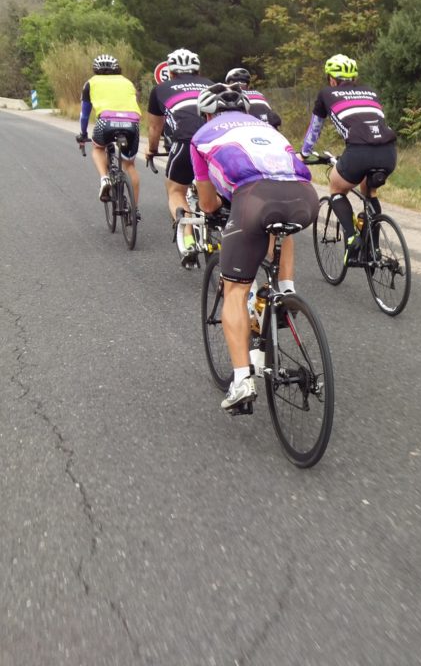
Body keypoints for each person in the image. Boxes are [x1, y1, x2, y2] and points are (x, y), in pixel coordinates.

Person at [190, 82, 318, 411]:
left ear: (207, 114)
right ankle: (286, 293)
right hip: (305, 198)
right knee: (280, 224)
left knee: (234, 290)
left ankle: (242, 380)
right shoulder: (265, 126)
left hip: (254, 199)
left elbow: (206, 203)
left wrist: (223, 204)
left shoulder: (202, 136)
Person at [299, 53, 397, 260]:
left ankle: (352, 239)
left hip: (359, 151)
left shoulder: (327, 93)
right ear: (353, 78)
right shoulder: (370, 91)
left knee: (336, 187)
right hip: (389, 152)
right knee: (369, 191)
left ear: (332, 79)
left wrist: (304, 153)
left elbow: (315, 129)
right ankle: (374, 250)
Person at [146, 48, 214, 268]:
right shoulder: (211, 84)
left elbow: (155, 127)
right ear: (198, 71)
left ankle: (188, 238)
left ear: (171, 73)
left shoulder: (160, 89)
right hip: (217, 141)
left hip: (186, 142)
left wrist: (152, 150)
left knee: (175, 190)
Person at [75, 54, 142, 210]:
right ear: (117, 69)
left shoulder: (90, 83)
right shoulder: (128, 82)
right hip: (132, 123)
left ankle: (105, 178)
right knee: (130, 165)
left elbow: (84, 114)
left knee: (98, 148)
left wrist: (83, 134)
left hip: (106, 122)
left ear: (95, 70)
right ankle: (134, 209)